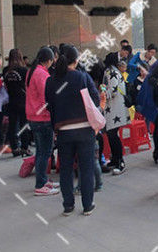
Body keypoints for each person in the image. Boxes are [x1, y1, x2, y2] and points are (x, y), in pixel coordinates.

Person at [45, 44, 100, 216]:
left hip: (63, 131)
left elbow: (49, 106)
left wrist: (56, 125)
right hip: (85, 130)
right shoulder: (82, 77)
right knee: (86, 168)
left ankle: (68, 205)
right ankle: (87, 205)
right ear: (76, 61)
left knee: (66, 169)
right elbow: (95, 100)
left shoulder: (51, 80)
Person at [26, 47, 60, 196]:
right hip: (42, 117)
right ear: (49, 60)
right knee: (44, 153)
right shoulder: (41, 74)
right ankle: (40, 184)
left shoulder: (32, 71)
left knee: (41, 151)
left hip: (33, 115)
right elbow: (48, 95)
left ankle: (43, 180)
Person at [102, 57, 131, 175]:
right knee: (111, 135)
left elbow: (112, 91)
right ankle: (115, 159)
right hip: (114, 109)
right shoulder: (110, 72)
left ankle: (120, 161)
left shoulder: (111, 73)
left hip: (115, 109)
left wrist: (102, 94)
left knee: (113, 135)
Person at [4, 49, 32, 157]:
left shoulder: (6, 70)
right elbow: (28, 84)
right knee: (23, 124)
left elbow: (6, 85)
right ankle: (25, 147)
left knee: (13, 125)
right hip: (23, 99)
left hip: (11, 99)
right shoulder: (24, 70)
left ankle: (15, 147)